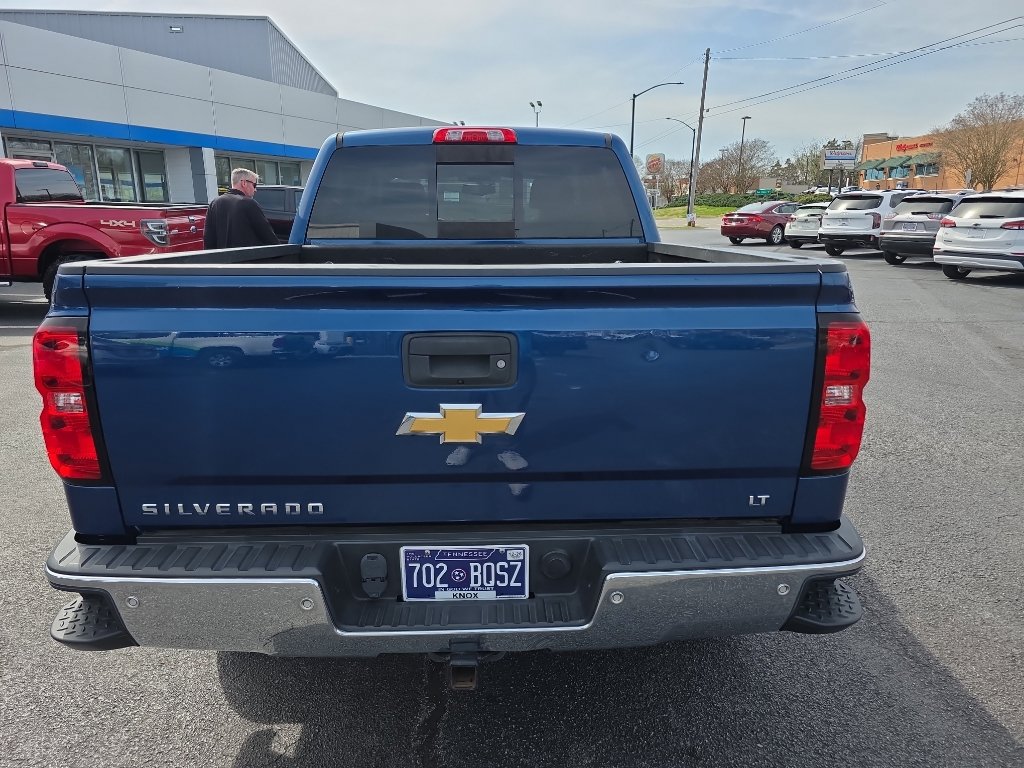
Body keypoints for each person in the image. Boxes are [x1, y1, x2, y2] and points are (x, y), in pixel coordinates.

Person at [203, 168, 279, 249]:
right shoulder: (249, 203)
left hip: (222, 258)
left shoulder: (214, 203)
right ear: (244, 183)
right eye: (254, 185)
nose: (255, 189)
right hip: (247, 258)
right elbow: (268, 236)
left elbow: (208, 238)